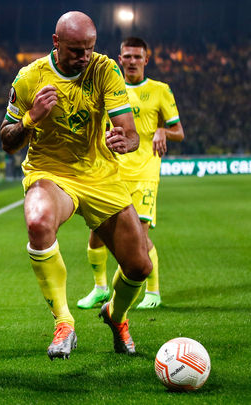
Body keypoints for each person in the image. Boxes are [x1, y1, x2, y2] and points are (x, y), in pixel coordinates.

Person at [0, 12, 152, 360]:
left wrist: (125, 140)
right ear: (56, 43)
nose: (84, 57)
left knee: (140, 267)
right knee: (38, 221)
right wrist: (30, 118)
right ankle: (64, 322)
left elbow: (129, 132)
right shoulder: (29, 78)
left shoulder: (104, 69)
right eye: (75, 50)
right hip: (50, 172)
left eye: (89, 49)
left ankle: (115, 314)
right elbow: (7, 141)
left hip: (100, 174)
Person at [77, 37, 184, 311]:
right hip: (109, 172)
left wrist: (162, 131)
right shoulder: (108, 88)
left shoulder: (160, 90)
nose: (132, 61)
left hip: (144, 173)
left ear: (146, 60)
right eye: (128, 56)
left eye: (138, 56)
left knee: (139, 237)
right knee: (96, 234)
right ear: (120, 58)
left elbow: (178, 131)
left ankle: (153, 291)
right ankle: (100, 289)